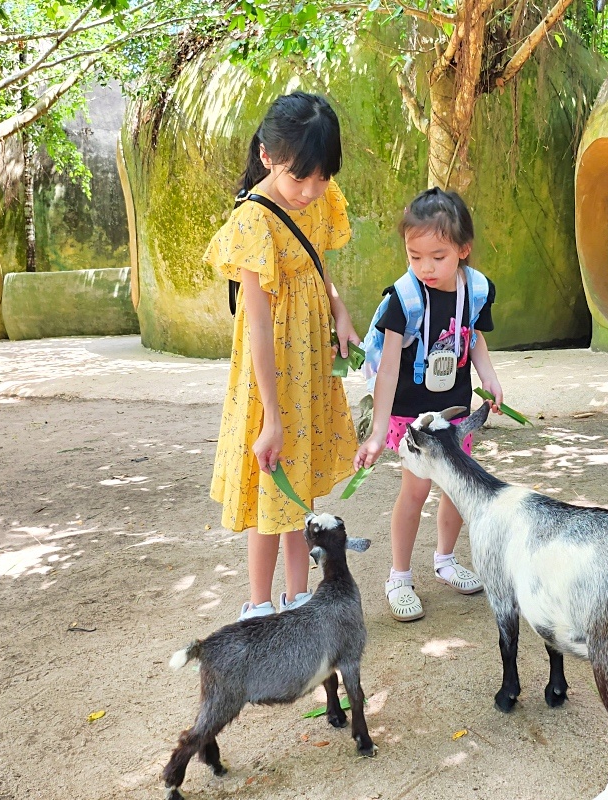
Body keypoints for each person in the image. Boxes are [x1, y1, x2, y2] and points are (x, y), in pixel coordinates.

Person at [206, 92, 360, 620]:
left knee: (301, 481)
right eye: (300, 179)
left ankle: (299, 599)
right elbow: (257, 330)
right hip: (270, 375)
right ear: (267, 157)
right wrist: (271, 418)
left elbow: (319, 265)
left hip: (311, 364)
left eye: (321, 177)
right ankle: (257, 604)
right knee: (271, 482)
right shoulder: (252, 221)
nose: (311, 191)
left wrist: (339, 310)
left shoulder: (317, 194)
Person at [353, 188, 504, 622]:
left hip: (454, 413)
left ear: (463, 249)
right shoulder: (403, 300)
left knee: (457, 488)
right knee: (415, 491)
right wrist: (380, 432)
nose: (425, 267)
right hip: (409, 413)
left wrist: (489, 379)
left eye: (437, 256)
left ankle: (445, 559)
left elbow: (473, 336)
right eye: (414, 255)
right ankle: (399, 577)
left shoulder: (476, 290)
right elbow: (387, 370)